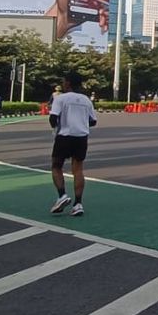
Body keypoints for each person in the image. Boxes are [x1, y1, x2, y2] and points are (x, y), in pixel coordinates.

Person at [49, 72, 97, 217]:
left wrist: (56, 127)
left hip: (64, 135)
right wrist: (81, 122)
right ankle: (78, 204)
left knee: (56, 166)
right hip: (81, 136)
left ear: (68, 83)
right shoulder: (86, 100)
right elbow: (93, 121)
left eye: (64, 81)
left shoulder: (60, 98)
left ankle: (62, 195)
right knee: (78, 169)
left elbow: (53, 118)